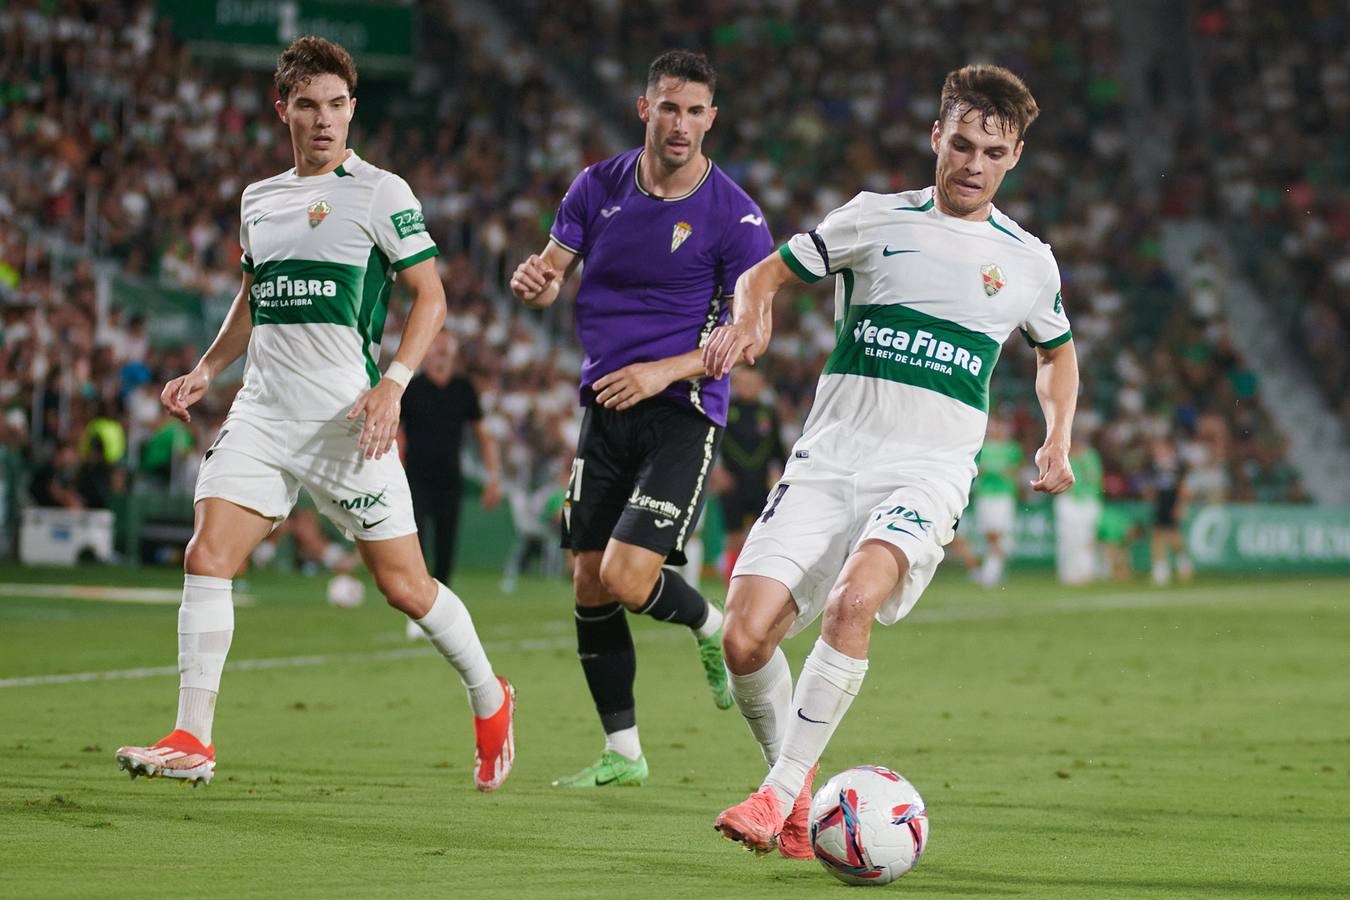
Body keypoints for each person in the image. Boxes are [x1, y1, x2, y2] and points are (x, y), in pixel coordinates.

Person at [114, 37, 515, 793]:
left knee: (407, 588)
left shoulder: (380, 191)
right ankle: (193, 737)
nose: (324, 120)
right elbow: (253, 296)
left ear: (352, 109)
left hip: (347, 420)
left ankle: (491, 701)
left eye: (337, 105)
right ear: (284, 109)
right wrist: (206, 368)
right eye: (309, 105)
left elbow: (431, 297)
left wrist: (394, 383)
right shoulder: (258, 200)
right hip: (263, 414)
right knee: (207, 556)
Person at [703, 64, 1078, 858]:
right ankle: (796, 790)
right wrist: (752, 318)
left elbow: (1056, 353)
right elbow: (765, 271)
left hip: (927, 470)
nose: (973, 163)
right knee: (742, 641)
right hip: (829, 457)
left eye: (993, 151)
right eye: (964, 143)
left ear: (1014, 159)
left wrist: (1058, 434)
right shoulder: (872, 219)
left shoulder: (1028, 261)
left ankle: (775, 798)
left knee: (852, 602)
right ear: (936, 135)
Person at [509, 49, 773, 788]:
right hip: (604, 405)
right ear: (644, 108)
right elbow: (549, 270)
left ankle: (711, 627)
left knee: (627, 577)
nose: (681, 123)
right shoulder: (596, 186)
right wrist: (534, 282)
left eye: (695, 111)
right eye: (669, 107)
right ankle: (623, 752)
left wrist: (672, 366)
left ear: (711, 119)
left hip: (681, 411)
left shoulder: (737, 216)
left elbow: (755, 332)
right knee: (588, 580)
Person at [400, 330, 502, 586]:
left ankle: (441, 598)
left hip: (449, 478)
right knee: (417, 539)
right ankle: (419, 593)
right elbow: (398, 436)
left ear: (454, 352)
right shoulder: (412, 389)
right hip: (415, 477)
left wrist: (493, 478)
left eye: (446, 344)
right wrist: (396, 474)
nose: (441, 348)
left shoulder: (464, 389)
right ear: (426, 350)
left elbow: (483, 436)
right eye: (436, 344)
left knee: (446, 546)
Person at [714, 367, 785, 585]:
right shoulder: (725, 408)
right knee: (734, 535)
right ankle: (731, 584)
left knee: (762, 534)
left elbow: (777, 448)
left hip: (761, 482)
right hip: (732, 482)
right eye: (744, 382)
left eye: (753, 383)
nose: (748, 387)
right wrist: (716, 471)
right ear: (736, 384)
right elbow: (712, 443)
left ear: (761, 385)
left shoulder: (768, 412)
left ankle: (757, 582)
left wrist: (782, 475)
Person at [969, 413, 1022, 586]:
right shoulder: (982, 447)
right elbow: (979, 470)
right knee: (989, 535)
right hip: (985, 495)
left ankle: (990, 574)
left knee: (997, 534)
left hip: (1003, 496)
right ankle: (993, 570)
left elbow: (1014, 472)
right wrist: (997, 471)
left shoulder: (1012, 448)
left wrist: (995, 471)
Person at [1054, 426, 1104, 585]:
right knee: (1069, 537)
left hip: (1087, 499)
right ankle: (1068, 573)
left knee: (1086, 537)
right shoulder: (1061, 455)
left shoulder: (1090, 456)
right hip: (1067, 498)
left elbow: (1094, 478)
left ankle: (1086, 572)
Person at [1146, 435, 1193, 585]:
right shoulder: (1154, 467)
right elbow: (1154, 487)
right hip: (1160, 505)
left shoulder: (1178, 467)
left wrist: (1180, 506)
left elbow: (1184, 489)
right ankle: (1160, 571)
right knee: (1157, 536)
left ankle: (1183, 562)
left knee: (1174, 537)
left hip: (1172, 504)